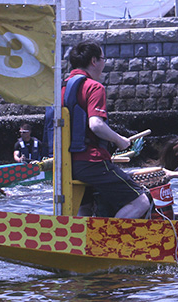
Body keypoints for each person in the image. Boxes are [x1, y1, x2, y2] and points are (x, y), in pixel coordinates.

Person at [62, 40, 150, 218]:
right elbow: (96, 125)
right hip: (91, 162)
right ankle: (109, 234)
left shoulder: (61, 89)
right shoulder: (94, 87)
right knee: (141, 201)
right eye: (103, 59)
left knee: (85, 208)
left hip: (66, 164)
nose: (104, 63)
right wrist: (120, 140)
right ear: (94, 61)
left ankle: (83, 235)